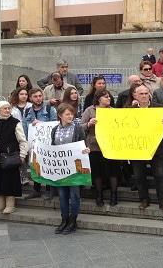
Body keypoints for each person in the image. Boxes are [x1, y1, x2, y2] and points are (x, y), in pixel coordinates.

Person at [130, 85, 163, 212]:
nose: (143, 96)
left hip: (155, 148)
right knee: (139, 176)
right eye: (141, 93)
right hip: (137, 149)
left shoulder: (158, 108)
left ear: (149, 94)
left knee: (159, 175)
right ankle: (144, 199)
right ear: (135, 96)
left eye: (146, 93)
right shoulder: (129, 111)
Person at [50, 103, 89, 234]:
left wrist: (86, 149)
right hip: (61, 168)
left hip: (74, 168)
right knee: (62, 195)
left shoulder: (77, 128)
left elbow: (83, 143)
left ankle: (73, 221)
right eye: (67, 114)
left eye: (71, 113)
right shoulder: (55, 130)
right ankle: (64, 220)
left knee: (74, 195)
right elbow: (52, 146)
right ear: (60, 115)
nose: (70, 116)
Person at [81, 89, 121, 207]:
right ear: (99, 99)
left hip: (111, 145)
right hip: (94, 146)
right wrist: (89, 124)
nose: (109, 98)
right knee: (97, 172)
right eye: (106, 97)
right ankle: (99, 195)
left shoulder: (114, 111)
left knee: (113, 170)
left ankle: (114, 195)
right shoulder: (90, 110)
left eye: (109, 97)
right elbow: (80, 127)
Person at [22, 88, 58, 200]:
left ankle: (49, 190)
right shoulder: (27, 111)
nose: (38, 98)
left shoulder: (50, 109)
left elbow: (55, 125)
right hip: (33, 144)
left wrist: (41, 124)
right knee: (35, 166)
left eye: (40, 96)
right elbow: (24, 128)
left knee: (47, 165)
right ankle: (36, 189)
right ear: (31, 98)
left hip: (47, 143)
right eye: (35, 96)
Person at [10, 87, 33, 185]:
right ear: (17, 95)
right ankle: (23, 176)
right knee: (21, 157)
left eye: (26, 94)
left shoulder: (31, 106)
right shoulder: (12, 108)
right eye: (21, 94)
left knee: (31, 157)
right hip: (18, 135)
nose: (24, 96)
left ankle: (35, 176)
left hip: (31, 134)